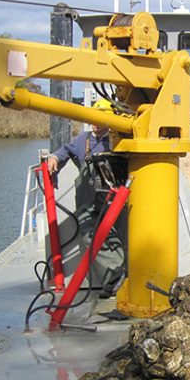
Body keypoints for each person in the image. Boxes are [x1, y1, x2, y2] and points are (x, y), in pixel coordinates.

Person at [47, 99, 126, 297]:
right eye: (93, 117)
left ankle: (121, 278)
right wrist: (55, 158)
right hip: (89, 201)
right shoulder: (83, 140)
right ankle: (114, 279)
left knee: (119, 235)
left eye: (100, 118)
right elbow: (66, 150)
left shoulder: (119, 140)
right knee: (90, 235)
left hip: (114, 198)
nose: (95, 122)